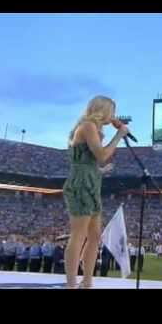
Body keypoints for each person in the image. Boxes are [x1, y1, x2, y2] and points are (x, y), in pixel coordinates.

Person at [63, 96, 128, 289]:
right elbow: (101, 156)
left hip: (91, 181)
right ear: (103, 110)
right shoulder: (88, 125)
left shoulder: (93, 128)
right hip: (82, 184)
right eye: (112, 112)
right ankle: (71, 284)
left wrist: (100, 171)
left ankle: (87, 281)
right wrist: (119, 135)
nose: (114, 117)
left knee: (94, 235)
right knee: (79, 234)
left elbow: (86, 161)